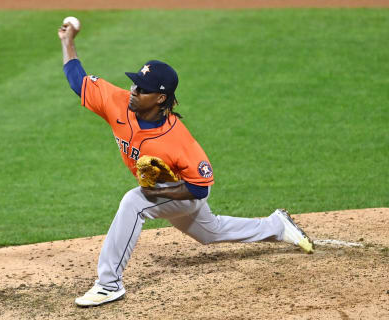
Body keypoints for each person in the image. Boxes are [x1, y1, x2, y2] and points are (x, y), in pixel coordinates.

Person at [57, 21, 314, 307]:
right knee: (210, 232)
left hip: (182, 191)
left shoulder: (179, 140)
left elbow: (199, 189)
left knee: (134, 202)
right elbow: (76, 79)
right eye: (134, 83)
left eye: (142, 89)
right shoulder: (118, 103)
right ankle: (277, 225)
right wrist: (68, 41)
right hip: (165, 190)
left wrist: (158, 193)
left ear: (161, 98)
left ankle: (108, 284)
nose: (133, 90)